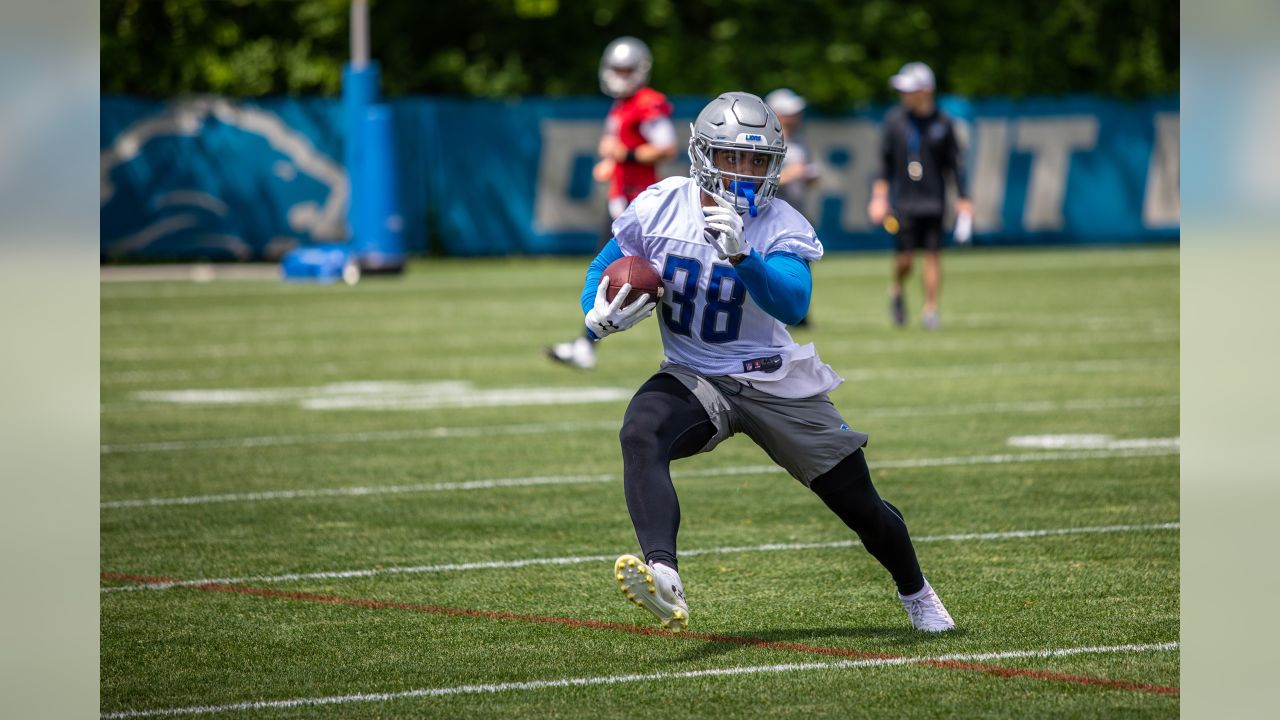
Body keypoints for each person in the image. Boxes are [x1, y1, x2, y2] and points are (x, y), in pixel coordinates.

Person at [574, 91, 955, 634]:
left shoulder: (780, 222)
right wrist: (597, 312)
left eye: (757, 160)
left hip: (772, 378)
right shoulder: (660, 204)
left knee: (859, 504)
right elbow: (605, 267)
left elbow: (793, 303)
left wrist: (743, 256)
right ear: (704, 156)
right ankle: (663, 571)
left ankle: (917, 593)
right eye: (732, 157)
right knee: (640, 432)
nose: (747, 171)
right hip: (695, 374)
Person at [547, 36, 676, 370]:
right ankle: (585, 342)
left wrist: (625, 155)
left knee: (611, 272)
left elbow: (666, 146)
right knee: (605, 271)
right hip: (623, 195)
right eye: (616, 68)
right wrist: (614, 165)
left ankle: (586, 342)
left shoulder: (648, 102)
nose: (620, 74)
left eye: (626, 68)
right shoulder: (622, 105)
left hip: (639, 202)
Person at [866, 62, 973, 330]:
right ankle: (896, 289)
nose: (904, 95)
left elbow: (954, 166)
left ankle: (931, 309)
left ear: (926, 91)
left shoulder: (944, 123)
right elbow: (884, 165)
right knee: (905, 258)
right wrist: (879, 197)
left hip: (934, 200)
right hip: (903, 202)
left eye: (909, 90)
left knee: (933, 255)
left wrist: (963, 199)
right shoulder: (895, 121)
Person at [764, 88, 822, 327]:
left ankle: (798, 309)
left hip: (795, 212)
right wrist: (791, 174)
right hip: (769, 215)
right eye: (789, 113)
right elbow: (759, 182)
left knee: (799, 259)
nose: (795, 117)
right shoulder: (766, 143)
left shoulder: (799, 142)